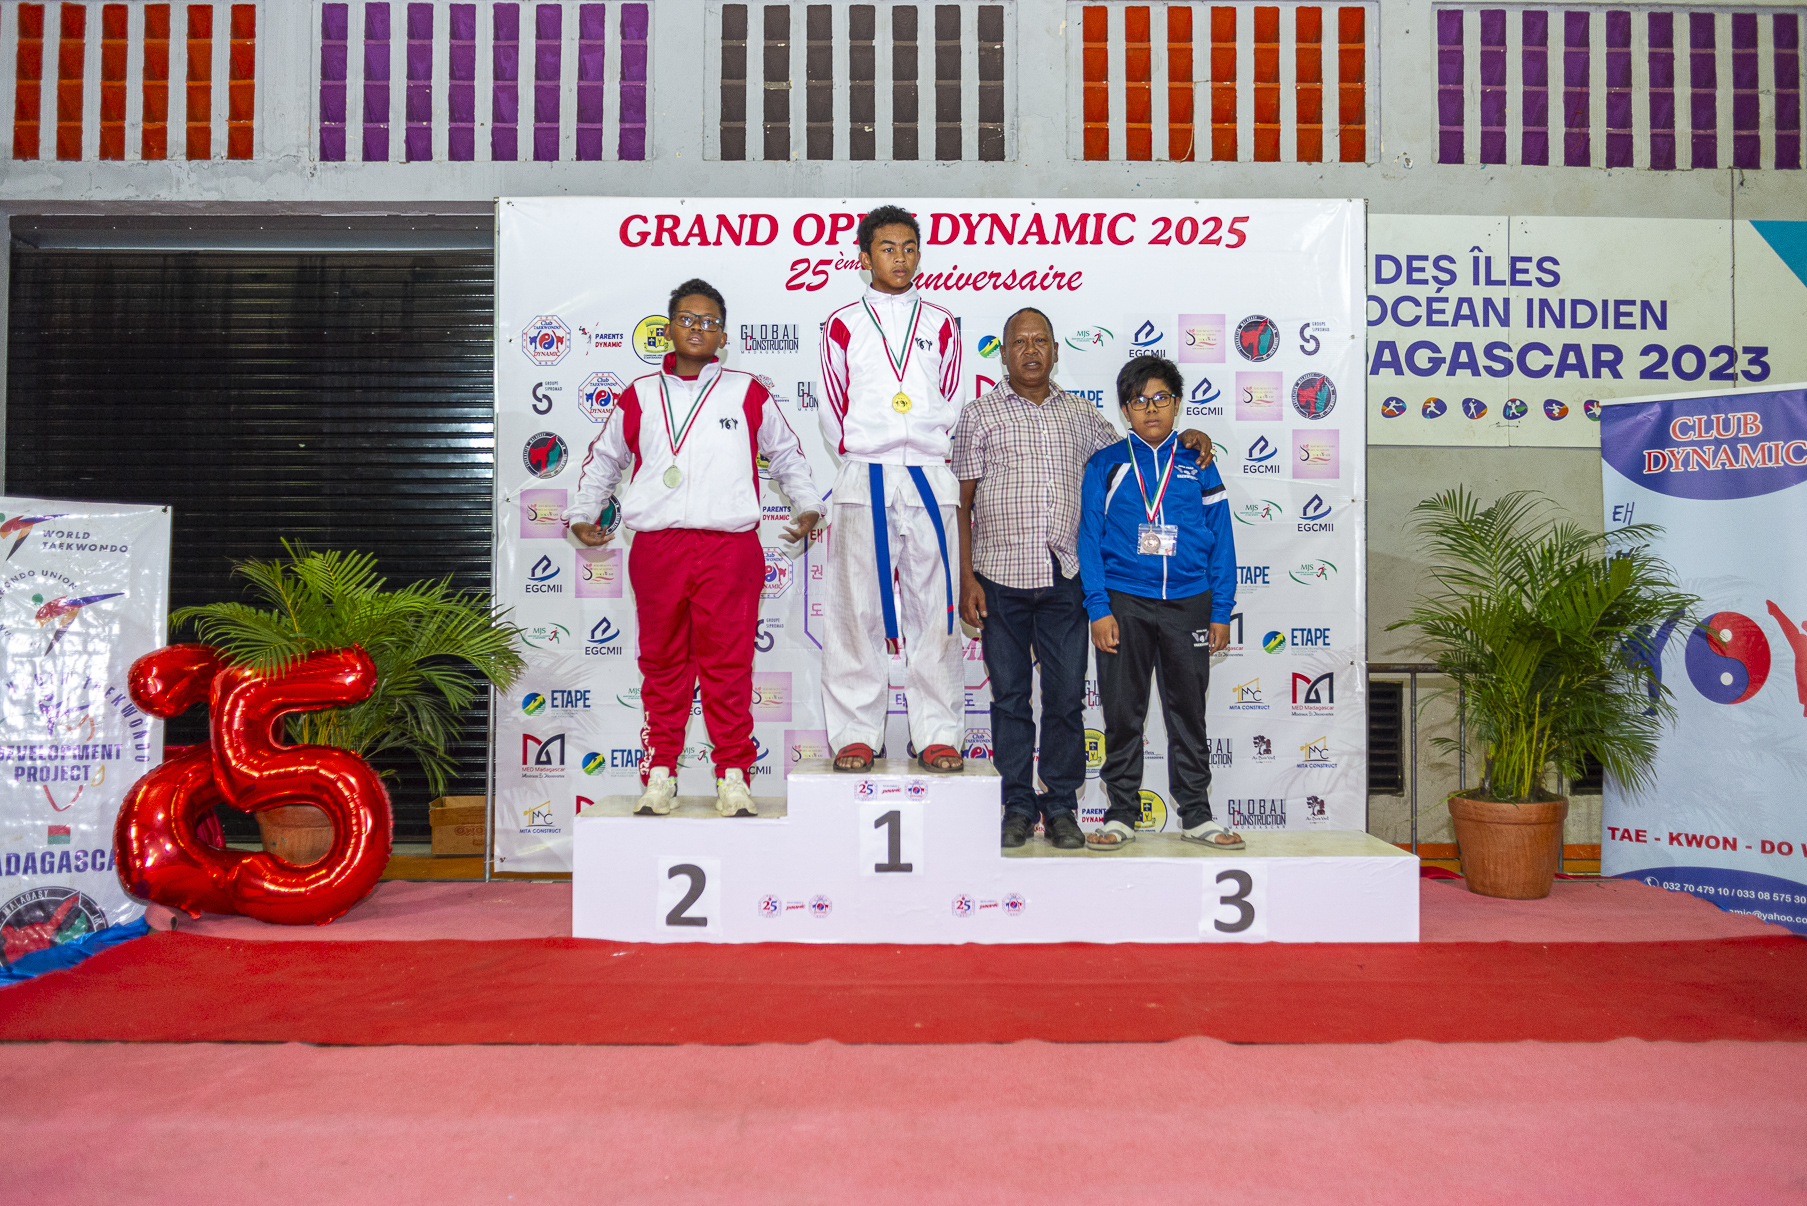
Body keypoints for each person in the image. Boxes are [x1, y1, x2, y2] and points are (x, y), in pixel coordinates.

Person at [953, 308, 1214, 849]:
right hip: (998, 577)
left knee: (1066, 698)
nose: (1030, 350)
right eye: (1019, 342)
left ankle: (1061, 806)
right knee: (1009, 700)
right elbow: (962, 503)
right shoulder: (978, 415)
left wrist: (1188, 434)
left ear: (1055, 351)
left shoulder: (1082, 415)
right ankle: (1016, 806)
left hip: (1065, 579)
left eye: (1040, 341)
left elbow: (1139, 452)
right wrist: (966, 578)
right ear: (1003, 353)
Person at [564, 279, 822, 817]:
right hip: (657, 548)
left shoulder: (746, 392)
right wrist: (582, 513)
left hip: (729, 549)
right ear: (668, 329)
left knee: (729, 666)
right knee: (662, 664)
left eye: (709, 322)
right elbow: (604, 460)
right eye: (687, 319)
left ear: (723, 336)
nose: (697, 328)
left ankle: (733, 776)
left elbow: (787, 455)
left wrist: (806, 505)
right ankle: (660, 774)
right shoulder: (639, 394)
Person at [818, 205, 965, 774]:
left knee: (937, 610)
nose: (900, 258)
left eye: (909, 248)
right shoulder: (841, 323)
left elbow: (950, 400)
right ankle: (857, 732)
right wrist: (868, 447)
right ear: (864, 257)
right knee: (855, 608)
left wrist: (921, 442)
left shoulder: (943, 322)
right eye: (887, 248)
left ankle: (937, 733)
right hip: (866, 473)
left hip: (928, 472)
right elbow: (834, 407)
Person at [1077, 354, 1242, 851]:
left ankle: (1196, 813)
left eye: (1161, 399)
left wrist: (1220, 610)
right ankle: (1121, 813)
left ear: (1177, 403)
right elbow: (1089, 539)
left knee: (1187, 713)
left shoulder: (1198, 462)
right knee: (1123, 713)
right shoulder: (1106, 464)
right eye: (1139, 401)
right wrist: (1098, 607)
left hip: (1189, 603)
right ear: (1125, 409)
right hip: (1124, 601)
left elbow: (1222, 537)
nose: (1151, 409)